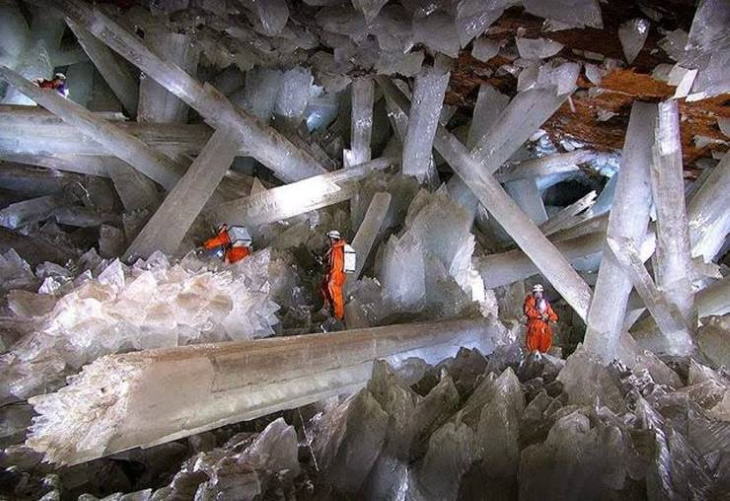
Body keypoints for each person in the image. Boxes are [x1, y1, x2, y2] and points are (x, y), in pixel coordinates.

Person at [523, 283, 558, 353]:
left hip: (544, 327)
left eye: (540, 292)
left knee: (545, 337)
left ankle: (543, 352)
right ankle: (533, 352)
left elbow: (552, 314)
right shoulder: (530, 301)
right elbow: (529, 311)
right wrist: (539, 315)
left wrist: (549, 317)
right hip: (534, 325)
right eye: (536, 292)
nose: (538, 294)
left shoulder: (545, 303)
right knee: (533, 339)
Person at [321, 230, 347, 320]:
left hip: (336, 275)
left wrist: (332, 275)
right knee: (325, 288)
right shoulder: (334, 248)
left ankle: (338, 316)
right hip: (334, 273)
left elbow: (338, 265)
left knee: (336, 294)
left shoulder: (338, 249)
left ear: (332, 239)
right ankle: (328, 308)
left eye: (328, 239)